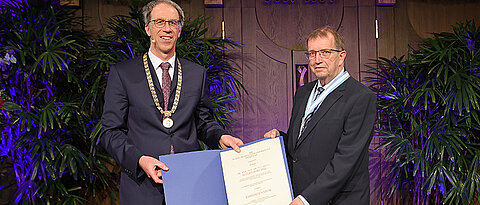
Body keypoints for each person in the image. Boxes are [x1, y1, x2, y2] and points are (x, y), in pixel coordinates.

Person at [100, 0, 244, 204]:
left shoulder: (197, 73)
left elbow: (204, 123)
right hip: (142, 187)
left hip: (190, 185)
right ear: (148, 28)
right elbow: (110, 132)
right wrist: (139, 160)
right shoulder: (123, 74)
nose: (167, 28)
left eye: (173, 23)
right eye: (159, 22)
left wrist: (220, 137)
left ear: (180, 29)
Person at [264, 26, 376, 205]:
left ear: (341, 56)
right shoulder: (303, 93)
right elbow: (303, 145)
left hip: (338, 200)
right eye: (312, 53)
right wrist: (281, 139)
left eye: (325, 52)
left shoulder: (361, 97)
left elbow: (346, 159)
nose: (317, 60)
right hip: (300, 193)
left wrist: (306, 199)